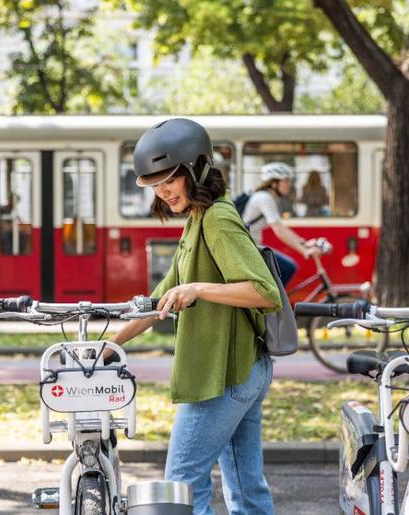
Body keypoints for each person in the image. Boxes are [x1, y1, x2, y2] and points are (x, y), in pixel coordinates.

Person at [110, 118, 281, 515]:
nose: (163, 190)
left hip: (222, 375)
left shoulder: (218, 219)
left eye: (169, 178)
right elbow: (159, 299)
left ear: (196, 169)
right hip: (242, 370)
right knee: (246, 490)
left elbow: (264, 292)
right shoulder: (197, 220)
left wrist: (199, 289)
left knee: (181, 486)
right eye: (154, 183)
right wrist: (111, 344)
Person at [242, 162, 321, 285]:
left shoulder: (267, 197)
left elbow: (281, 227)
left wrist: (303, 243)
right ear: (274, 183)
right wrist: (304, 251)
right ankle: (269, 302)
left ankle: (270, 301)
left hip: (252, 246)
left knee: (283, 268)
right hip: (247, 248)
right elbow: (279, 229)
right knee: (288, 267)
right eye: (286, 181)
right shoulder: (264, 198)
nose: (289, 184)